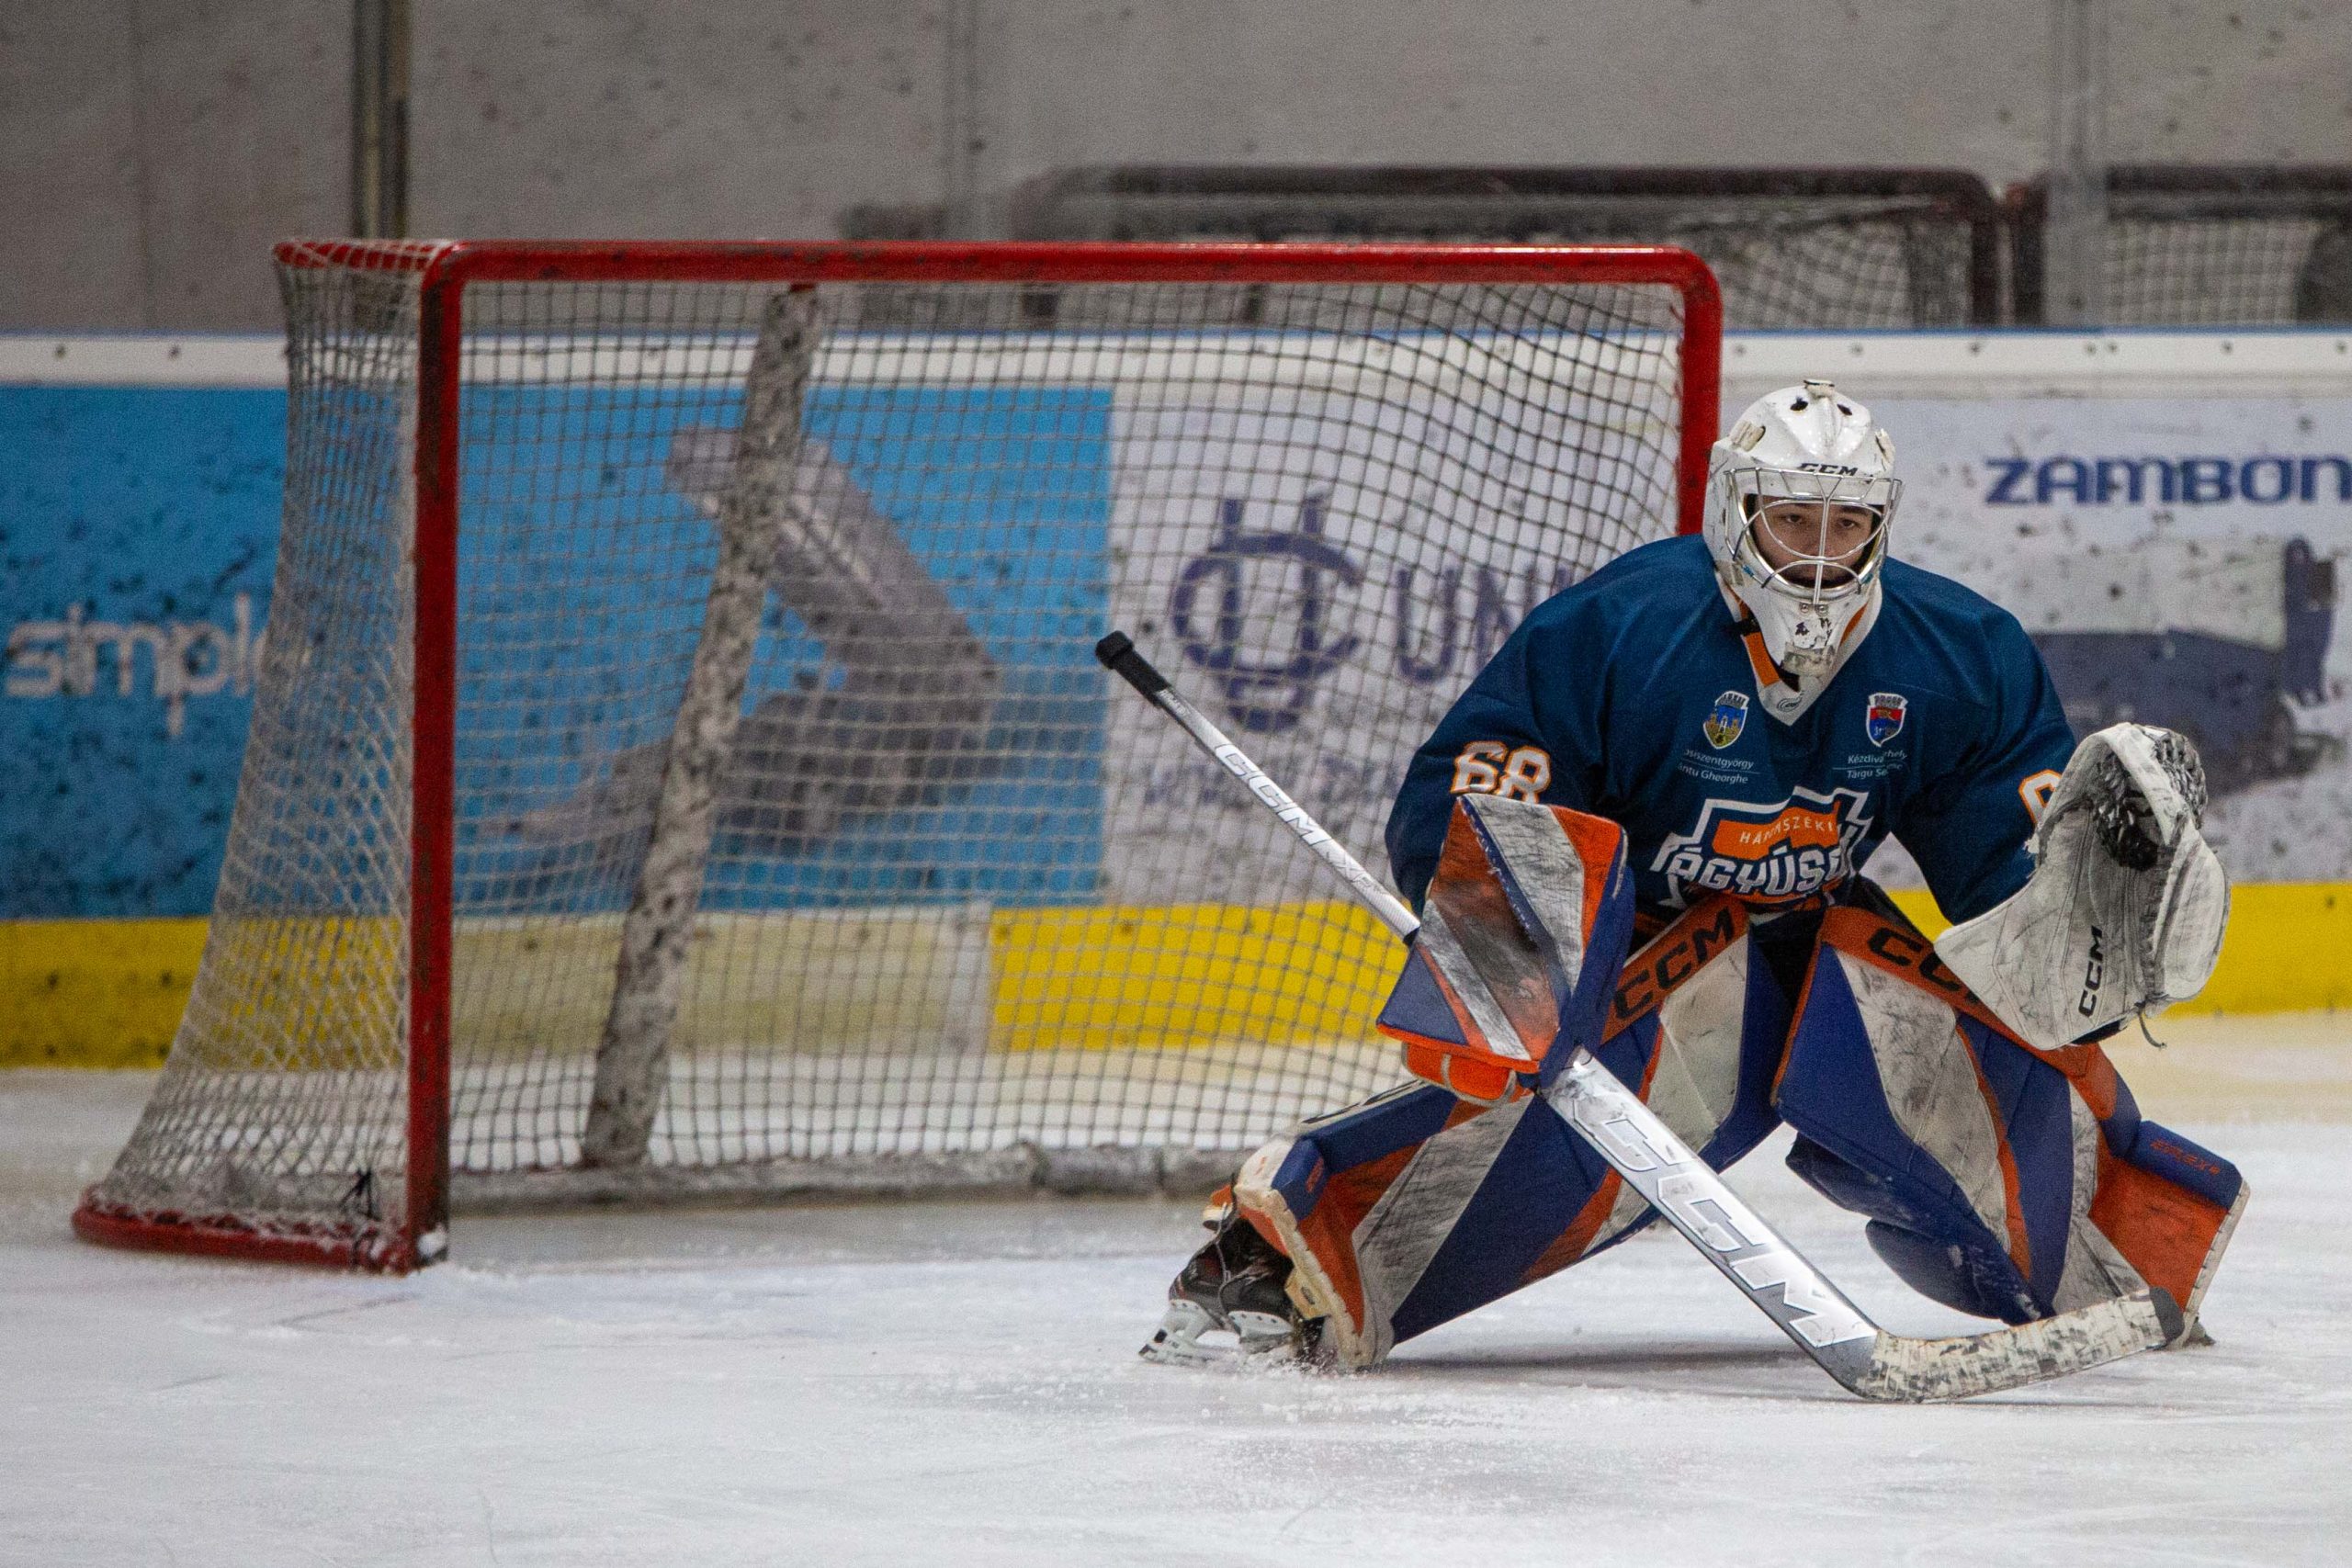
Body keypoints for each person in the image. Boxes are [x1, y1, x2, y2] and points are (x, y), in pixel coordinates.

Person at [1144, 381, 2245, 1371]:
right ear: (1734, 511)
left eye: (1846, 523)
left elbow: (2003, 877)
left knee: (1979, 1081)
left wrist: (2072, 911)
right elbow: (1480, 790)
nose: (1818, 551)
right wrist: (1505, 941)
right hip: (1649, 956)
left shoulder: (1957, 651)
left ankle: (2119, 1257)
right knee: (1550, 1143)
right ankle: (1276, 1272)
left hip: (1818, 945)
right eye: (1791, 520)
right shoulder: (1622, 627)